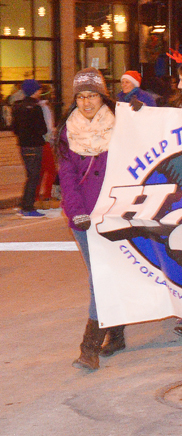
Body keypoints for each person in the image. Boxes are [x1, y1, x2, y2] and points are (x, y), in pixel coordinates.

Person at [58, 68, 124, 370]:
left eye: (92, 96)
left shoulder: (122, 125)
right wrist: (76, 211)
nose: (86, 103)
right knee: (100, 278)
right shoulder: (67, 130)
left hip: (115, 213)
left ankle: (116, 334)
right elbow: (67, 176)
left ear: (102, 96)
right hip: (84, 216)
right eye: (81, 96)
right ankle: (90, 348)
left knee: (116, 273)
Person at [11, 79, 48, 217]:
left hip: (23, 145)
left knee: (30, 176)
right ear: (34, 91)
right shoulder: (36, 107)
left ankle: (25, 204)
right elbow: (43, 129)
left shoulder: (17, 106)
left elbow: (14, 129)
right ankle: (27, 207)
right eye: (38, 89)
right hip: (35, 145)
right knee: (34, 177)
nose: (40, 92)